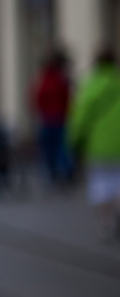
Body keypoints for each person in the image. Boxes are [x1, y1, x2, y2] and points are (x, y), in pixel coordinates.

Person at [67, 47, 120, 240]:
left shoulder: (90, 86)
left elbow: (80, 117)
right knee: (118, 183)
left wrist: (74, 140)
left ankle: (105, 224)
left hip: (97, 146)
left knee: (100, 185)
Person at [31, 49, 74, 186]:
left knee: (51, 149)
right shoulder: (61, 79)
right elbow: (67, 97)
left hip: (48, 118)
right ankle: (63, 173)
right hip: (59, 118)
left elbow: (38, 97)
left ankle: (54, 174)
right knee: (61, 148)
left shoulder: (45, 79)